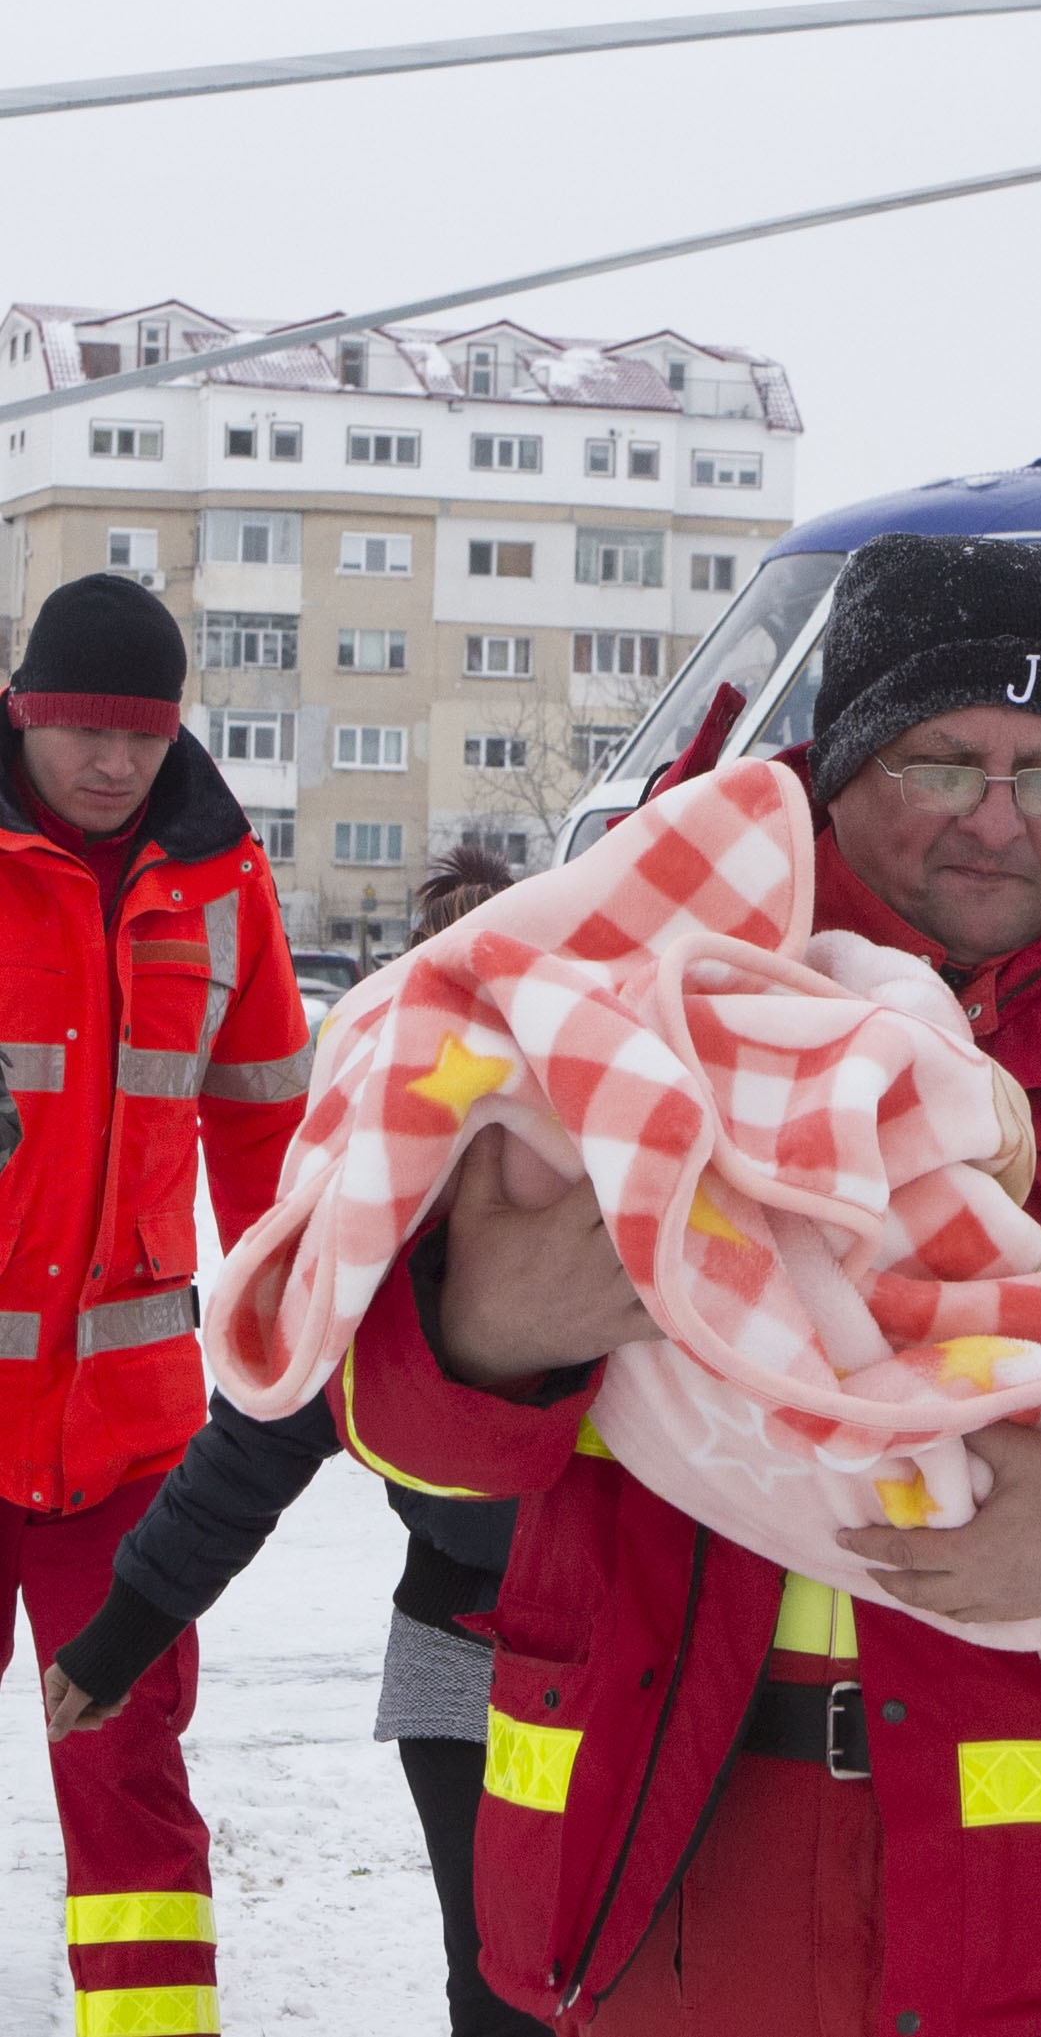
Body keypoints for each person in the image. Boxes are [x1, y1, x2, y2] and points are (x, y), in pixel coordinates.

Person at [327, 533, 1041, 2036]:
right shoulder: (641, 953)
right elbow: (394, 1413)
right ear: (842, 758)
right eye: (943, 762)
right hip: (681, 1858)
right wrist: (485, 1332)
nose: (998, 820)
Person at [48, 839, 543, 2036]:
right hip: (460, 1644)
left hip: (631, 1643)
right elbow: (255, 1444)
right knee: (499, 1983)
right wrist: (120, 1636)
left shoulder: (635, 1184)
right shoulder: (373, 1226)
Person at [0, 572, 312, 2037]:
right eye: (85, 731)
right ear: (24, 713)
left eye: (143, 733)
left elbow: (270, 1137)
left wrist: (302, 1339)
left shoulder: (224, 880)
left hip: (125, 1445)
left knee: (126, 1769)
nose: (115, 763)